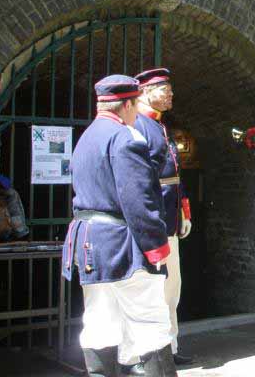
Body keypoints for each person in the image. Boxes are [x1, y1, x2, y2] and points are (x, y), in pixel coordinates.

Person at [61, 75, 175, 376]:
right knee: (151, 324)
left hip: (90, 244)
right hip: (121, 244)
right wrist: (156, 247)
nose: (137, 113)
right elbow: (138, 199)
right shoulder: (125, 138)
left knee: (100, 322)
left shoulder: (86, 138)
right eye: (135, 105)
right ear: (126, 105)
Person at [116, 68, 193, 375]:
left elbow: (174, 175)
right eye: (164, 88)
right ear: (146, 92)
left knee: (171, 287)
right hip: (154, 219)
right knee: (148, 290)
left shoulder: (160, 126)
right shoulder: (139, 125)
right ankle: (140, 353)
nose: (170, 93)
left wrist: (184, 209)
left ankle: (169, 347)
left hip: (169, 217)